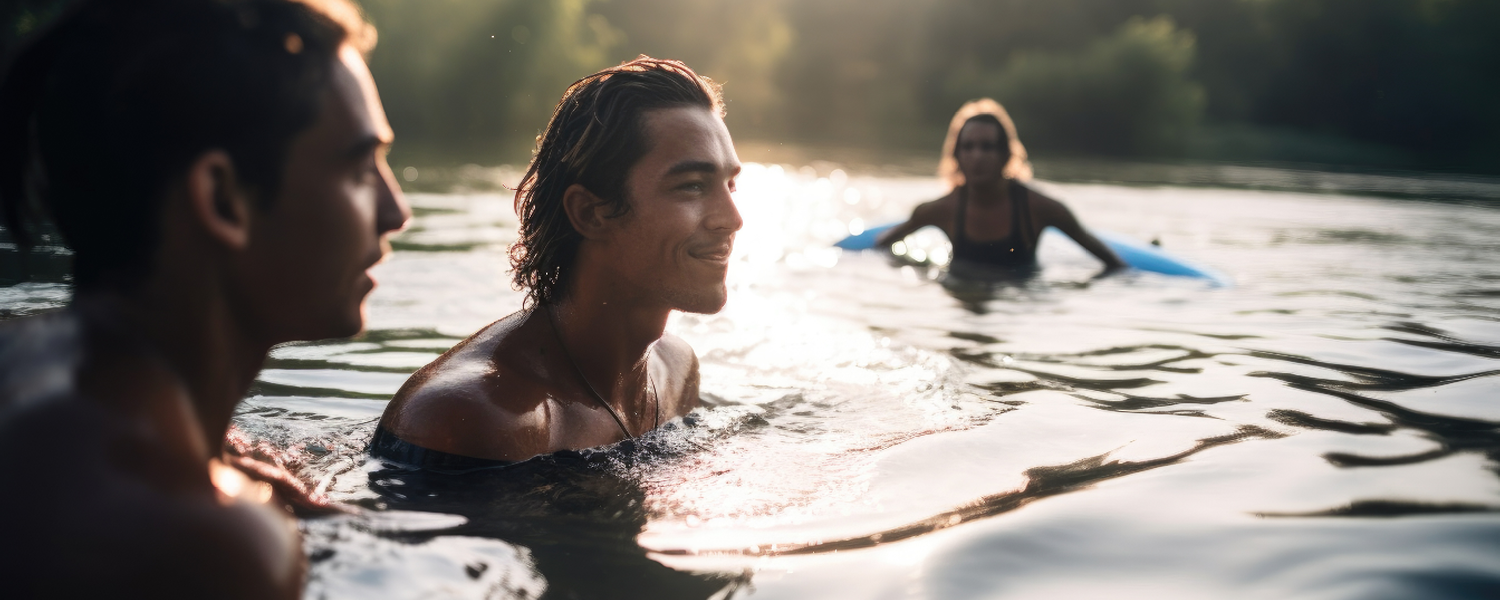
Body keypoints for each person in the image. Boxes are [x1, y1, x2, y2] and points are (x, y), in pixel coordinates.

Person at [0, 0, 409, 597]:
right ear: (222, 200)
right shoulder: (205, 542)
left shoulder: (26, 356)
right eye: (358, 168)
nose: (396, 211)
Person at [373, 57, 741, 468]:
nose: (732, 218)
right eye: (691, 186)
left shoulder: (676, 372)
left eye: (730, 185)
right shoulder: (479, 419)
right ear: (589, 212)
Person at [876, 99, 1124, 275]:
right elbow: (880, 247)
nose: (977, 156)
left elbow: (1114, 264)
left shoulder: (1041, 209)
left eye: (987, 147)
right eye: (968, 147)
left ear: (1006, 155)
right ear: (956, 156)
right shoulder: (940, 210)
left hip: (1017, 309)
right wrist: (920, 271)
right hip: (962, 300)